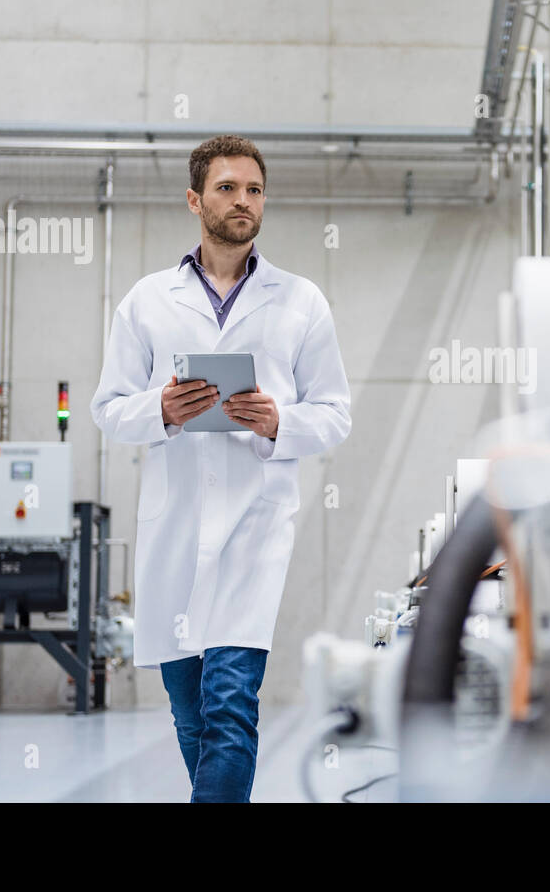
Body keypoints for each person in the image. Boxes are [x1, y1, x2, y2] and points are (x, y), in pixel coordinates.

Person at [90, 135, 352, 802]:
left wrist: (276, 422)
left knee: (230, 706)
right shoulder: (147, 301)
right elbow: (108, 409)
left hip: (254, 531)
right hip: (175, 530)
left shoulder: (301, 301)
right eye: (228, 188)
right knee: (192, 714)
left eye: (254, 189)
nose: (243, 201)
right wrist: (165, 409)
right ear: (195, 199)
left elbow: (334, 413)